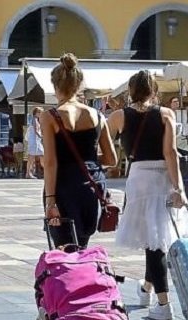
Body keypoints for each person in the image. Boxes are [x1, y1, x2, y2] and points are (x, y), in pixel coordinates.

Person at [111, 70, 188, 320]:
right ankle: (149, 289)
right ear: (154, 91)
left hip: (138, 178)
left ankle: (162, 302)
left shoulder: (118, 116)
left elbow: (103, 145)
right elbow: (171, 153)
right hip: (162, 177)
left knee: (153, 241)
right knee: (156, 239)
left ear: (130, 91)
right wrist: (178, 188)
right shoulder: (166, 114)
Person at [41, 54, 117, 249]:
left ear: (54, 85)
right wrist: (88, 159)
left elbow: (50, 162)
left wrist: (50, 201)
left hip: (63, 187)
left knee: (63, 249)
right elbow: (111, 159)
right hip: (91, 186)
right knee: (81, 247)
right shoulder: (97, 116)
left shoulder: (50, 116)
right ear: (79, 84)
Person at [26, 107, 44, 178]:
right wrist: (42, 137)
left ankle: (28, 173)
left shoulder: (34, 119)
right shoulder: (35, 120)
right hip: (35, 141)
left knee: (36, 156)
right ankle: (28, 173)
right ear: (36, 113)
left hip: (35, 141)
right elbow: (36, 130)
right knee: (32, 157)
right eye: (40, 112)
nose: (41, 114)